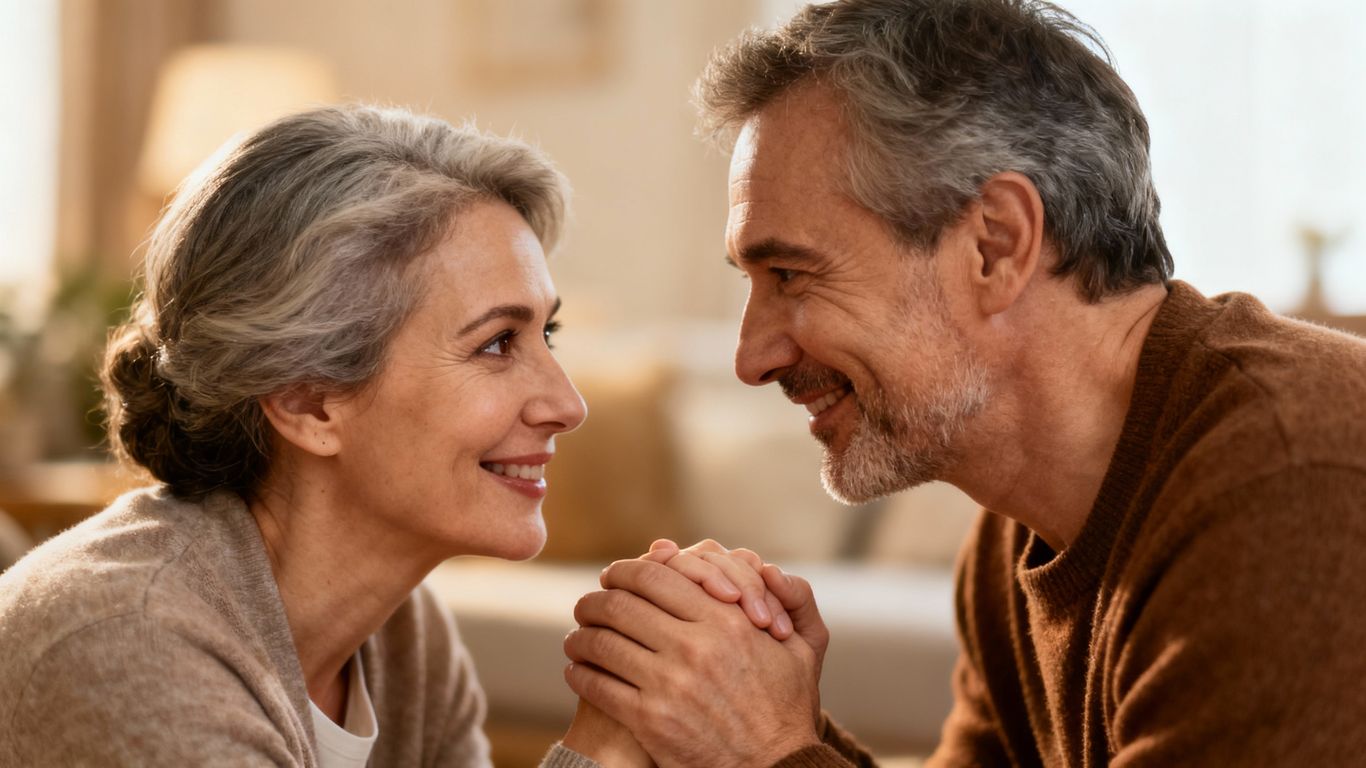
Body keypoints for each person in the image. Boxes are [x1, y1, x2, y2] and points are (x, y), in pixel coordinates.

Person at [557, 1, 1366, 766]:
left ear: (996, 245)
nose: (751, 357)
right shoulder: (1020, 523)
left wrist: (767, 750)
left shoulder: (1289, 486)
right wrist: (761, 720)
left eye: (791, 275)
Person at [0, 104, 651, 767]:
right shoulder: (125, 642)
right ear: (308, 403)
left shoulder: (403, 639)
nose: (568, 404)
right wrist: (611, 744)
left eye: (547, 334)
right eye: (496, 344)